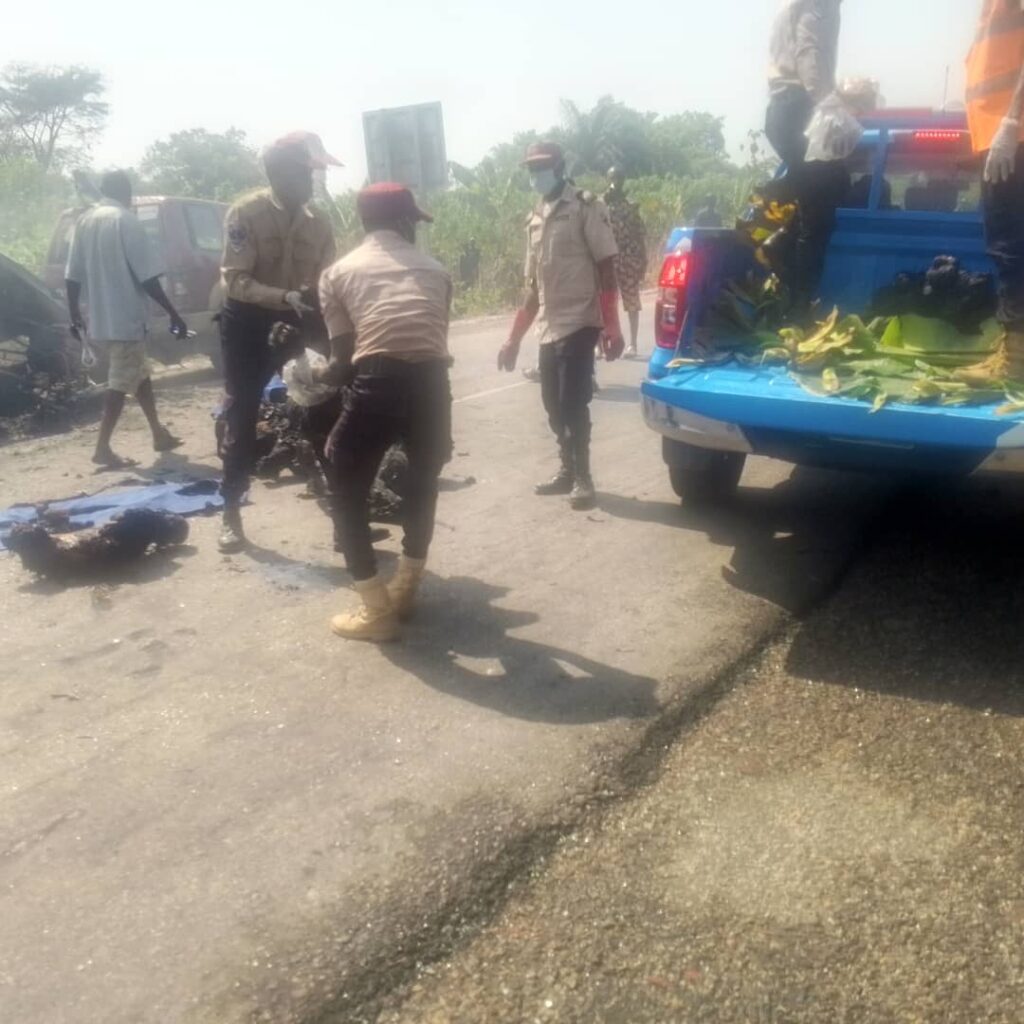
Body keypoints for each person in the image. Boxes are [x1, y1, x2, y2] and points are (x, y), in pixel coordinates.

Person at [317, 183, 453, 643]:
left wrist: (316, 380)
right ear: (402, 221)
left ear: (364, 222)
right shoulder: (437, 271)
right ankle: (407, 588)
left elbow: (341, 363)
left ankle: (376, 609)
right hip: (434, 385)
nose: (415, 226)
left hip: (377, 382)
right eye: (412, 219)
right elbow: (428, 338)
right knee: (423, 482)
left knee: (344, 484)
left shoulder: (337, 274)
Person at [216, 131, 339, 552]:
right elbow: (235, 280)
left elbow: (328, 279)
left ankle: (345, 518)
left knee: (324, 407)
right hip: (248, 322)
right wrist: (283, 297)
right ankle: (231, 512)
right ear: (281, 174)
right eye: (307, 173)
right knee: (243, 413)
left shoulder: (319, 222)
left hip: (299, 317)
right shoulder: (245, 214)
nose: (313, 182)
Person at [498, 143, 623, 511]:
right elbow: (532, 289)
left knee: (573, 402)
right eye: (530, 168)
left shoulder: (586, 205)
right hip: (548, 327)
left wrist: (611, 324)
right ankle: (566, 469)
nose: (536, 174)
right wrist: (513, 339)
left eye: (542, 166)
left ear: (560, 166)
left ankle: (584, 476)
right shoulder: (535, 218)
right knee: (552, 404)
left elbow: (606, 268)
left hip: (581, 321)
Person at [65, 170, 188, 468]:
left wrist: (74, 316)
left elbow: (72, 276)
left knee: (139, 372)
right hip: (126, 317)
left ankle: (158, 433)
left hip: (102, 319)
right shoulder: (125, 221)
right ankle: (102, 448)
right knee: (120, 380)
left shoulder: (84, 221)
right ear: (127, 192)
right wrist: (173, 313)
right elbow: (147, 277)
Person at [765, 0, 850, 316]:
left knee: (821, 193)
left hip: (782, 110)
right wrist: (827, 99)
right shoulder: (819, 5)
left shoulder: (791, 5)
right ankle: (801, 310)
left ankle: (781, 242)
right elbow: (808, 52)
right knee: (818, 219)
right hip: (801, 109)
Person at [967, 0, 1024, 374]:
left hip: (1012, 136)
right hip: (999, 134)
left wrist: (1012, 120)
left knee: (1007, 244)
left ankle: (1016, 356)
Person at [604, 166, 648, 357]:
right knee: (605, 301)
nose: (617, 180)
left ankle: (632, 344)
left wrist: (643, 259)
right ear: (608, 179)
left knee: (631, 300)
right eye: (613, 177)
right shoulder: (601, 204)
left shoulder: (631, 205)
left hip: (629, 258)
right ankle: (605, 342)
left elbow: (640, 234)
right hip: (608, 258)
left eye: (620, 176)